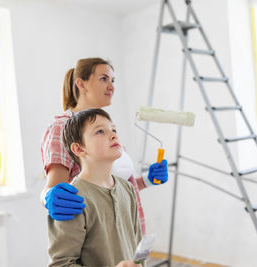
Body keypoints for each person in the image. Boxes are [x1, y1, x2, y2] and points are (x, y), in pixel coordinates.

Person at [41, 57, 168, 234]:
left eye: (113, 80)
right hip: (101, 238)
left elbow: (113, 188)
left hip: (130, 232)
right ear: (81, 84)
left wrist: (147, 180)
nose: (111, 86)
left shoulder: (107, 127)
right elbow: (54, 190)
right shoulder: (61, 128)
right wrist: (48, 197)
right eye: (104, 79)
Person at [48, 108, 142, 267]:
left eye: (113, 129)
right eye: (100, 131)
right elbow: (61, 264)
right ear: (78, 148)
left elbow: (138, 248)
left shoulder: (127, 189)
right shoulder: (71, 199)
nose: (113, 135)